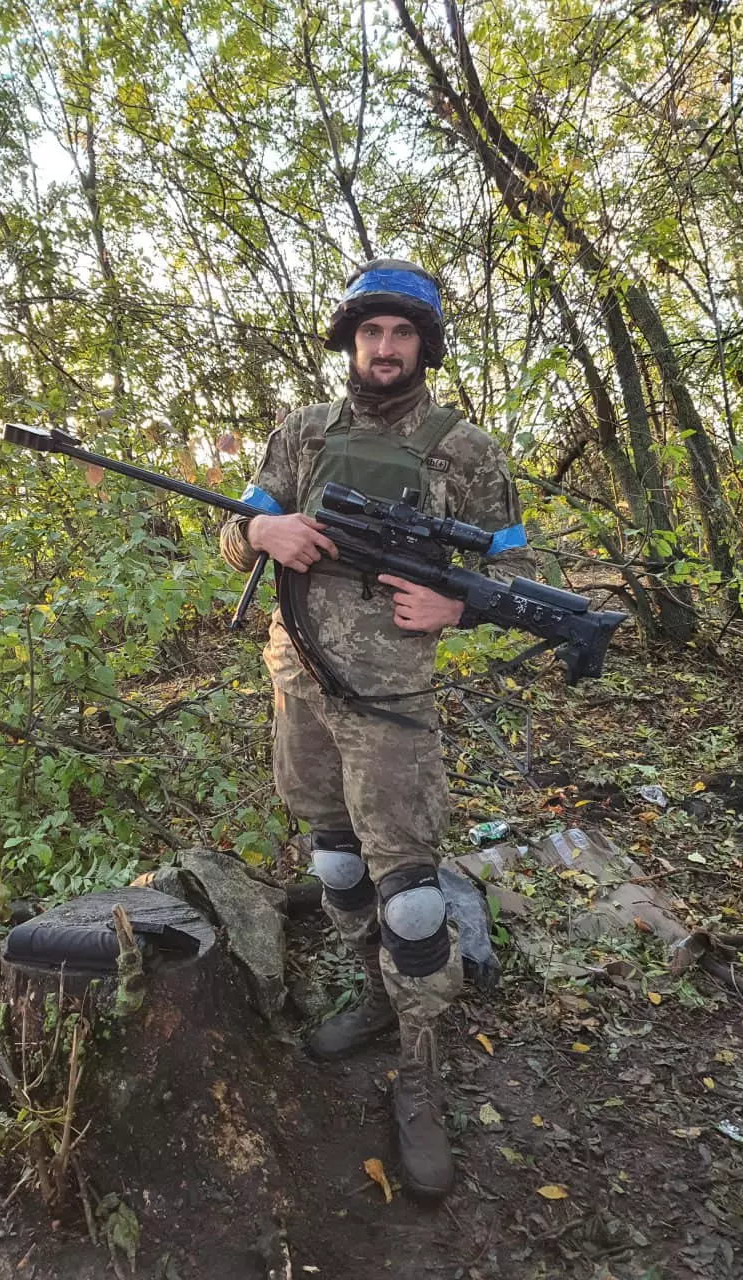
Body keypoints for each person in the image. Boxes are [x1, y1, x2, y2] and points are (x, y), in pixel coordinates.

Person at [220, 259, 536, 1200]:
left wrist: (460, 610)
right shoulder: (302, 434)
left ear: (423, 346)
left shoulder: (467, 451)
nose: (386, 349)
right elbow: (234, 531)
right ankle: (372, 990)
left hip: (393, 703)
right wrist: (259, 536)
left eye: (403, 334)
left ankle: (422, 1069)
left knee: (410, 892)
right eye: (372, 334)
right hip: (298, 684)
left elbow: (520, 574)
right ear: (352, 341)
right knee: (332, 860)